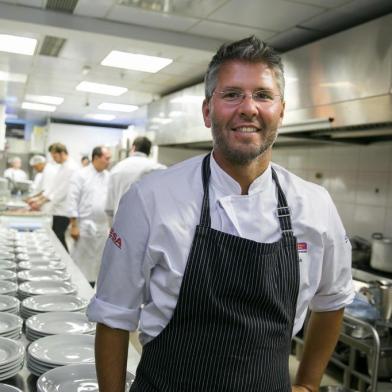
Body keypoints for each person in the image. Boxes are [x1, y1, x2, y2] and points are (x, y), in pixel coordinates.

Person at [87, 36, 354, 392]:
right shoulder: (151, 199)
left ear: (281, 110)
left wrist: (307, 384)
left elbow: (333, 300)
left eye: (262, 95)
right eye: (231, 94)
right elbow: (113, 316)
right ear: (207, 111)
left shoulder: (315, 205)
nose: (248, 108)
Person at [67, 146, 111, 285]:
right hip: (84, 225)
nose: (109, 161)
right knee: (81, 261)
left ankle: (91, 291)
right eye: (107, 158)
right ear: (96, 158)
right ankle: (76, 288)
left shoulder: (109, 177)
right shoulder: (81, 175)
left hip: (102, 227)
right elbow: (72, 200)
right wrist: (74, 226)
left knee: (97, 262)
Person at [29, 143, 77, 251]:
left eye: (55, 156)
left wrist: (42, 202)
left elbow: (62, 191)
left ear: (62, 153)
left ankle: (65, 263)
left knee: (59, 237)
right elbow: (54, 188)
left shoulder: (71, 168)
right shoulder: (63, 167)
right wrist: (39, 199)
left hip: (64, 209)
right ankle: (61, 260)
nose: (54, 159)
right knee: (56, 236)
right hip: (58, 208)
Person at [104, 136, 166, 218]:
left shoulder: (116, 169)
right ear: (149, 151)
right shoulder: (158, 168)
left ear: (133, 148)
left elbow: (109, 208)